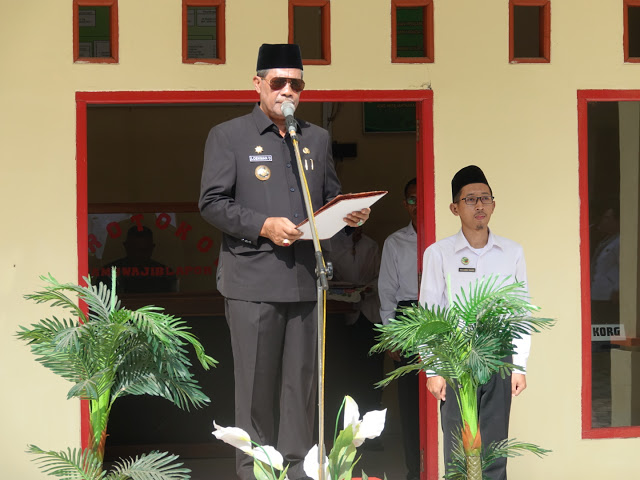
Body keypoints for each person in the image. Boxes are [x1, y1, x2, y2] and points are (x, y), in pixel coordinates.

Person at [199, 43, 369, 480]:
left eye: (296, 84)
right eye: (278, 82)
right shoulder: (229, 135)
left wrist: (350, 214)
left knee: (302, 389)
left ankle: (298, 472)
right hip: (252, 283)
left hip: (307, 282)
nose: (287, 91)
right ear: (258, 84)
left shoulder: (316, 137)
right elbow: (212, 203)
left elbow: (329, 198)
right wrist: (263, 225)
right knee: (255, 390)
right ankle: (254, 471)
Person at [420, 165, 529, 480]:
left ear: (494, 204)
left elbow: (519, 311)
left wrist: (519, 365)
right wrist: (434, 370)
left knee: (494, 450)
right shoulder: (439, 254)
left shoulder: (512, 252)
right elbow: (430, 313)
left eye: (485, 198)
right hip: (456, 357)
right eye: (470, 199)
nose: (479, 205)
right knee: (458, 449)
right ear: (455, 208)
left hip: (498, 355)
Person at [377, 178, 420, 480]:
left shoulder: (447, 238)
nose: (417, 205)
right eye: (412, 200)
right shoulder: (395, 242)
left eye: (422, 198)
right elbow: (387, 291)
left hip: (441, 314)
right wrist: (391, 334)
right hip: (407, 316)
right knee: (410, 399)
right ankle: (415, 470)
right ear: (405, 205)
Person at [328, 227, 384, 421]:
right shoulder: (331, 245)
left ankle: (370, 425)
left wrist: (367, 289)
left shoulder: (371, 245)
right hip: (340, 317)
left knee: (370, 373)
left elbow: (380, 276)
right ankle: (342, 427)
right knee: (343, 373)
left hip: (369, 315)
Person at [97, 226, 177, 294]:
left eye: (144, 250)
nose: (138, 254)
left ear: (152, 248)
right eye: (134, 249)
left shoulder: (165, 274)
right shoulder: (108, 273)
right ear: (126, 246)